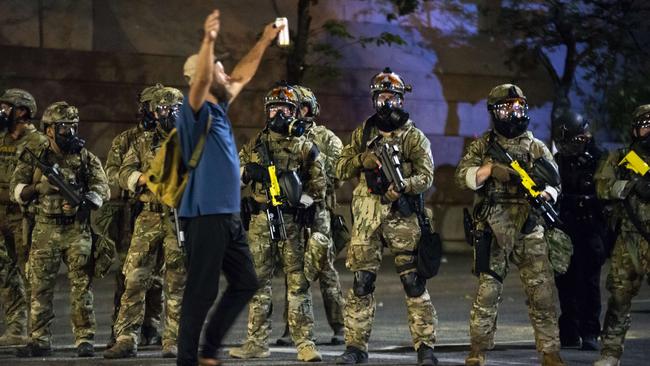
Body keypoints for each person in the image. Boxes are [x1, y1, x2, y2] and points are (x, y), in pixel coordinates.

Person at [175, 9, 281, 366]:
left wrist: (265, 39)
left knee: (246, 282)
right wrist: (207, 41)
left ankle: (208, 350)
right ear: (200, 79)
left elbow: (243, 74)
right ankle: (188, 359)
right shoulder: (192, 112)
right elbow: (204, 79)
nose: (226, 73)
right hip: (205, 215)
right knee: (200, 293)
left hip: (228, 215)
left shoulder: (219, 108)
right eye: (218, 69)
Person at [455, 84, 564, 366]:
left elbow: (555, 183)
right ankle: (477, 350)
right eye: (507, 108)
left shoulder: (536, 146)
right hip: (493, 226)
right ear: (495, 112)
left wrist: (545, 193)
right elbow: (462, 177)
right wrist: (490, 170)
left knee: (542, 293)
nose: (514, 113)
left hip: (529, 225)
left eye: (518, 107)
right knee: (487, 293)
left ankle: (550, 351)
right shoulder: (483, 145)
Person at [334, 68, 438, 366]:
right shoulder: (362, 132)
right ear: (374, 100)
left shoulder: (414, 137)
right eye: (382, 98)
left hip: (403, 218)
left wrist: (403, 186)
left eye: (392, 98)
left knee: (413, 283)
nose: (387, 104)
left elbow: (426, 175)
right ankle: (355, 346)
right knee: (362, 282)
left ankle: (425, 347)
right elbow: (340, 167)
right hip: (367, 219)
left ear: (402, 100)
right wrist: (361, 160)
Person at [230, 83, 325, 362]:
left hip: (291, 221)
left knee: (298, 282)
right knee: (258, 282)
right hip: (261, 220)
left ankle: (305, 343)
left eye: (284, 109)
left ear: (295, 112)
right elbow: (232, 181)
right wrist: (248, 173)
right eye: (273, 109)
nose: (278, 114)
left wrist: (302, 204)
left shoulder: (305, 146)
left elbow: (319, 187)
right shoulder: (255, 145)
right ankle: (256, 342)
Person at [11, 101, 109, 357]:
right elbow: (16, 190)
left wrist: (84, 201)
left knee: (81, 287)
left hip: (77, 230)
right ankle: (39, 339)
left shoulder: (85, 157)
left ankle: (84, 338)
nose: (70, 132)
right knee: (40, 287)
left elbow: (102, 187)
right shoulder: (36, 155)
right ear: (50, 130)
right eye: (64, 127)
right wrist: (37, 189)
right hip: (45, 229)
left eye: (73, 126)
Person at [103, 87, 185, 359]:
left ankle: (173, 339)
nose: (165, 115)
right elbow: (123, 171)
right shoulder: (142, 141)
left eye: (171, 110)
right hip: (148, 215)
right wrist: (144, 178)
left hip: (180, 217)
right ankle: (127, 337)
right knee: (135, 277)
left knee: (176, 280)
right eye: (160, 110)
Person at [94, 84, 165, 348]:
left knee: (158, 277)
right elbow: (112, 171)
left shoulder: (171, 137)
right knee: (129, 274)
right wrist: (137, 180)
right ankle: (120, 328)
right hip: (131, 212)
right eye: (149, 106)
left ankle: (151, 327)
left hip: (161, 212)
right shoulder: (128, 139)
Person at [275, 85, 346, 346]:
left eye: (298, 106)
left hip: (318, 211)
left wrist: (308, 186)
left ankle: (339, 325)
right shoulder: (283, 137)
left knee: (324, 267)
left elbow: (336, 176)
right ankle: (292, 326)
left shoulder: (326, 138)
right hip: (292, 211)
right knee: (292, 269)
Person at [593, 104, 650, 366]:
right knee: (619, 297)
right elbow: (602, 186)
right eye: (645, 125)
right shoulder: (621, 158)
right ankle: (611, 353)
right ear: (635, 129)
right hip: (629, 239)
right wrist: (631, 185)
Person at [552, 110, 608, 351]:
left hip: (591, 227)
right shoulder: (559, 161)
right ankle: (569, 330)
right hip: (565, 227)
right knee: (565, 281)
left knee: (589, 282)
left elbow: (608, 192)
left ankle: (590, 331)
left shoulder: (600, 159)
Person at [0, 88, 46, 346]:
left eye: (7, 107)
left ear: (22, 112)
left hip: (24, 216)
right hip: (0, 215)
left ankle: (36, 331)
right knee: (5, 273)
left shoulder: (37, 143)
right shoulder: (0, 139)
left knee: (30, 272)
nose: (2, 111)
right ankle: (15, 327)